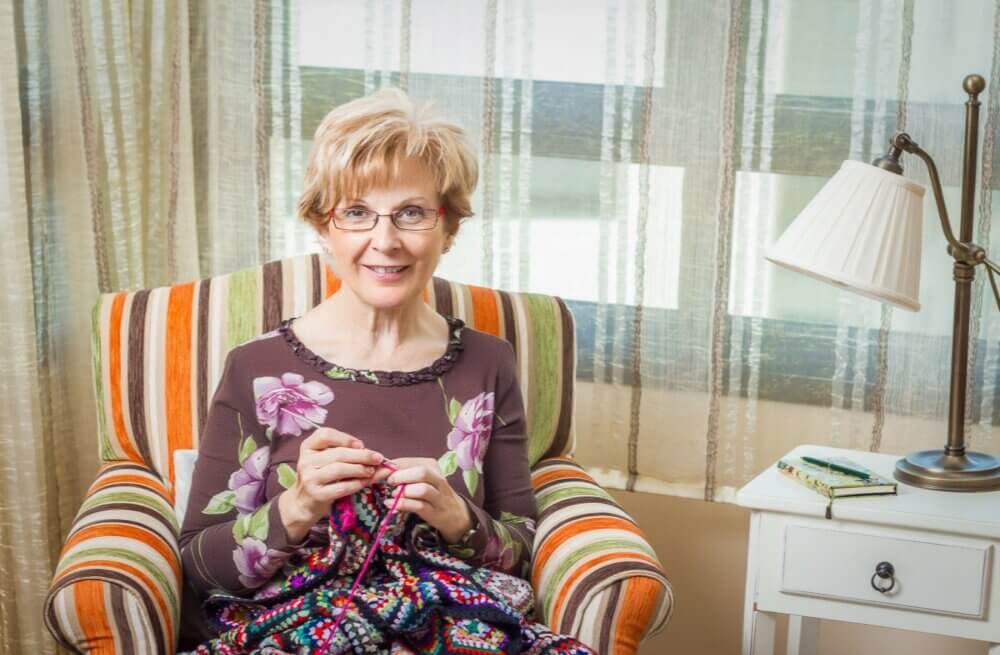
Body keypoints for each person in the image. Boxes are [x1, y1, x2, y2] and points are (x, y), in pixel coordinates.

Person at [178, 88, 594, 654]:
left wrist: (456, 517)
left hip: (454, 626)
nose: (385, 240)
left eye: (412, 213)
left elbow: (519, 548)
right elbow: (200, 566)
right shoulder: (257, 368)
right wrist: (298, 506)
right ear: (322, 226)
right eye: (356, 213)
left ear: (449, 228)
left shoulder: (488, 362)